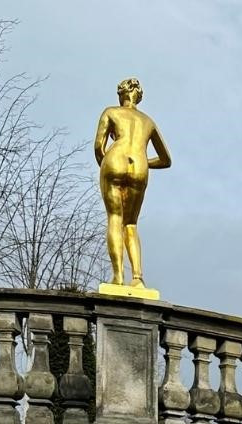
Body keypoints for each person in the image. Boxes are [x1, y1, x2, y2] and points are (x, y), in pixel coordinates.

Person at [93, 78, 171, 290]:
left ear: (122, 94)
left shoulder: (111, 112)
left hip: (114, 160)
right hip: (140, 166)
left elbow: (99, 146)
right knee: (131, 224)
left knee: (115, 218)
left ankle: (118, 277)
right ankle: (137, 278)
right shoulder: (148, 121)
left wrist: (106, 165)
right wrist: (144, 161)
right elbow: (166, 160)